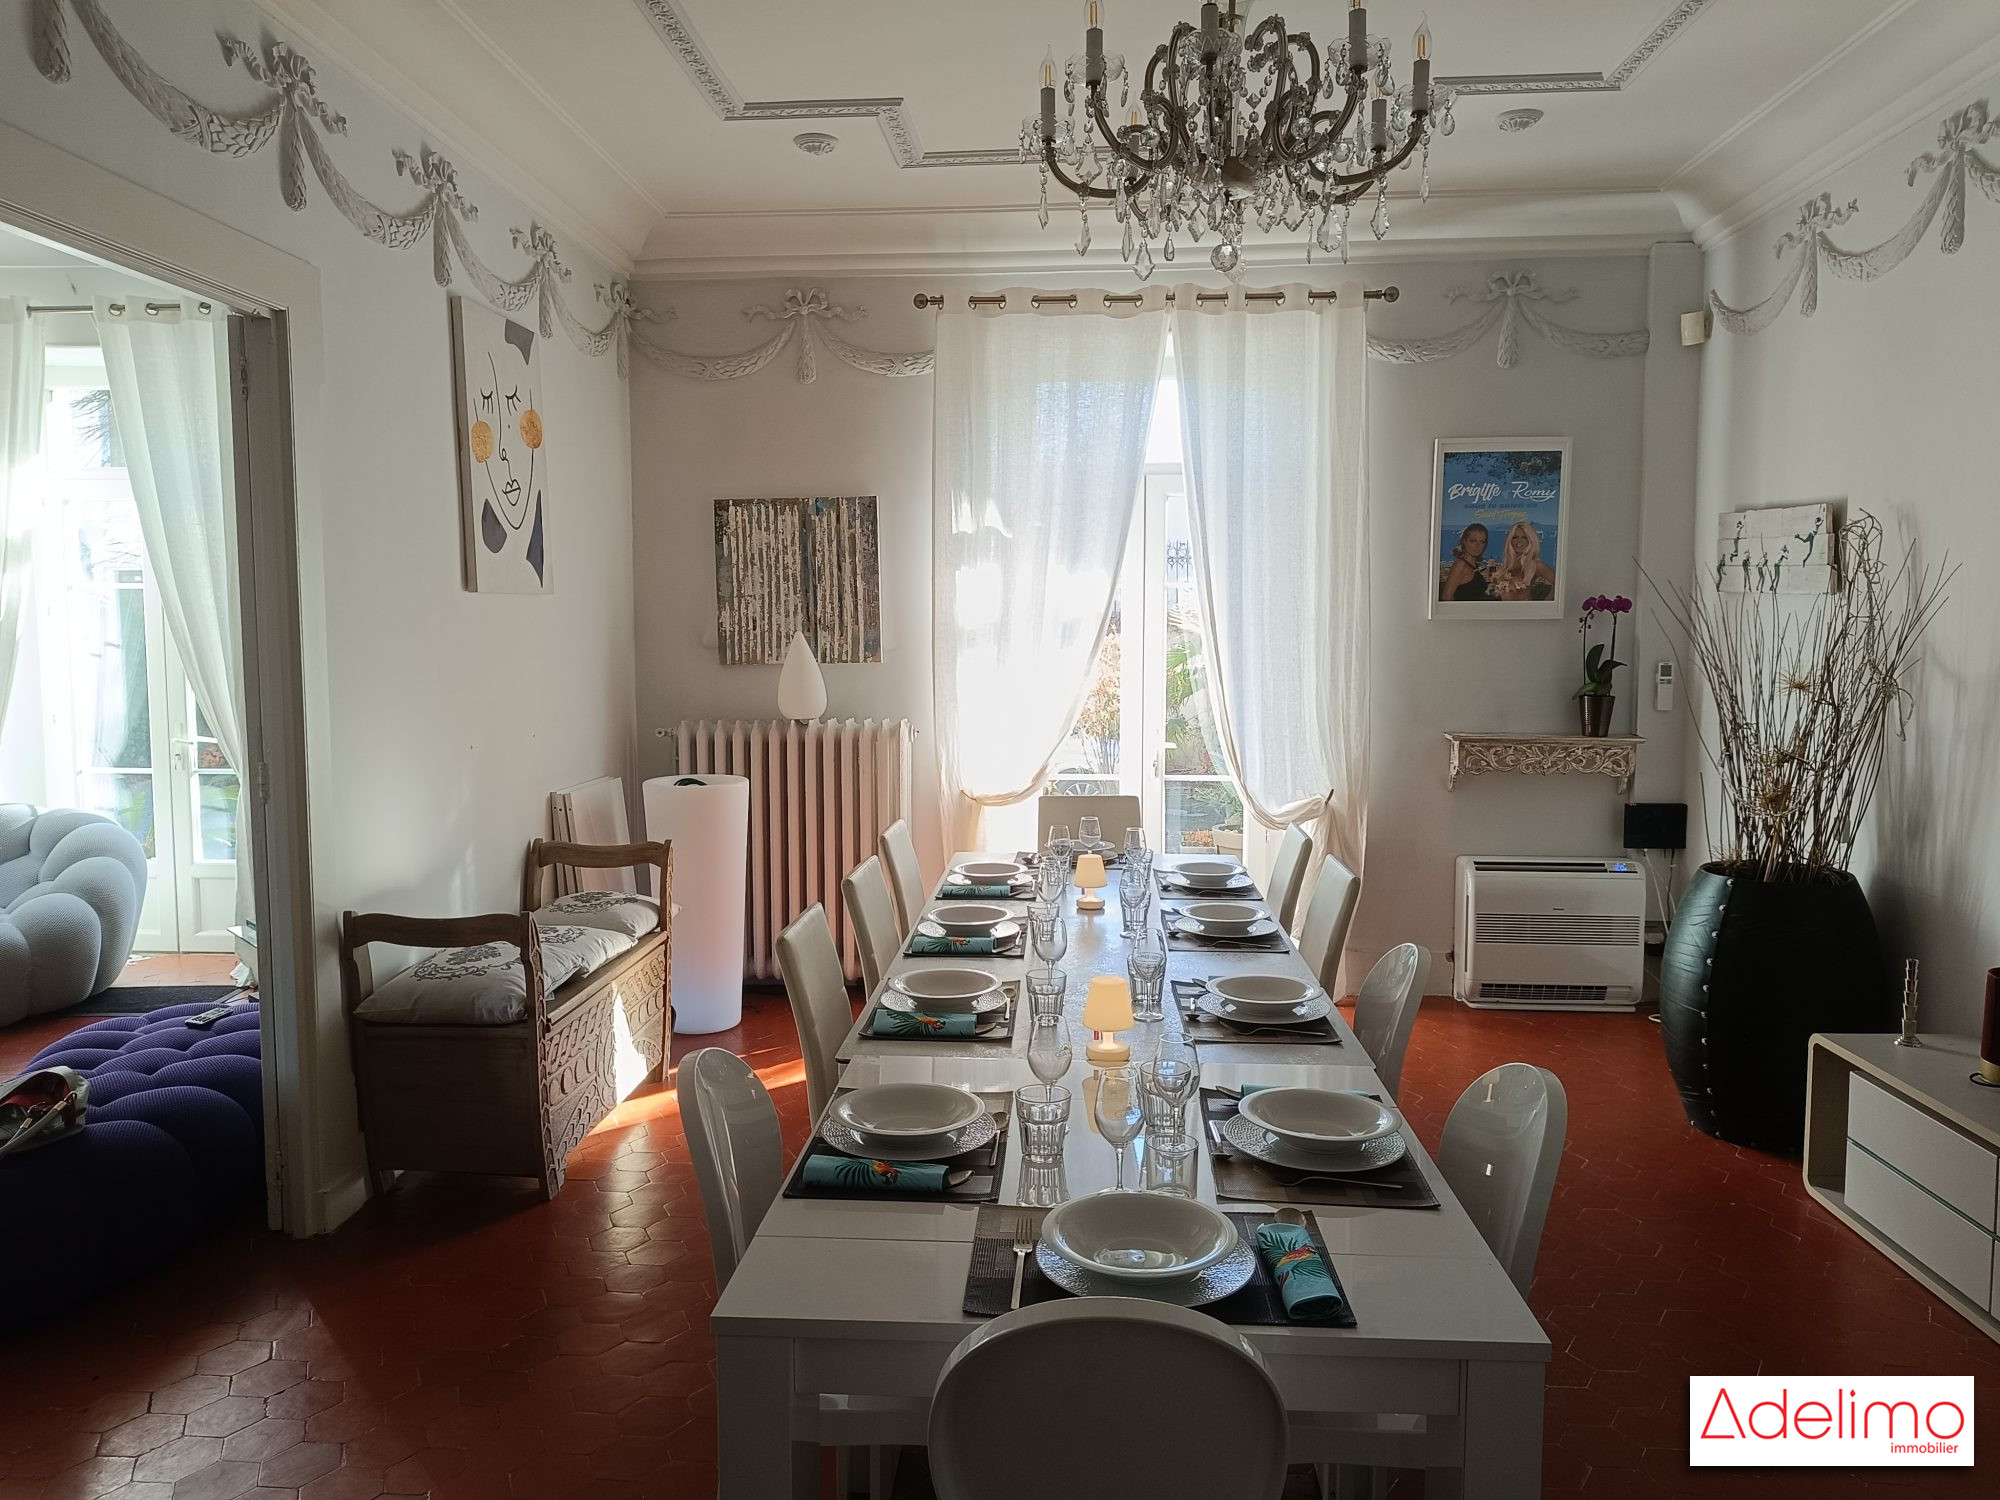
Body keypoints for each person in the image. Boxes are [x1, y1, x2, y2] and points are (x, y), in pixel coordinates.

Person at [1495, 521, 1556, 602]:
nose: (1519, 541)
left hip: (1525, 609)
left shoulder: (1536, 565)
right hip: (1502, 609)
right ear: (1510, 540)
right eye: (1515, 537)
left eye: (1524, 537)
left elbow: (1560, 584)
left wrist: (1547, 604)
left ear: (1530, 540)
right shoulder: (1504, 567)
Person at [1439, 523, 1492, 602]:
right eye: (1473, 541)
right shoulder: (1461, 565)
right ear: (1464, 541)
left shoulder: (1472, 565)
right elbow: (1446, 596)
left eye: (1482, 542)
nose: (1477, 546)